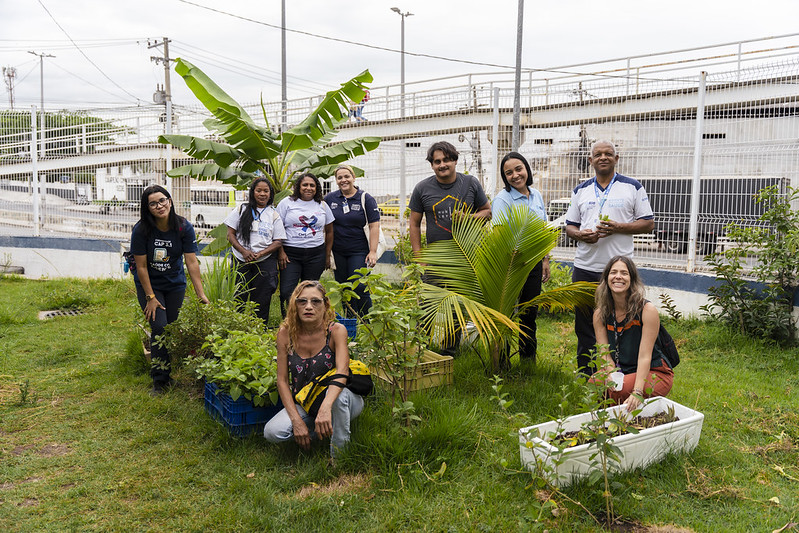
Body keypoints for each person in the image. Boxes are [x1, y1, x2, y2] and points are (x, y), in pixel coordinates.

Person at [564, 140, 654, 374]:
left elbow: (648, 224)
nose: (603, 157)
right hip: (585, 266)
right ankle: (587, 375)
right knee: (584, 325)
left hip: (619, 271)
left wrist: (618, 228)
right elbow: (569, 227)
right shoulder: (580, 190)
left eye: (608, 154)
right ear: (590, 160)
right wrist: (582, 236)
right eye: (598, 154)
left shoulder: (632, 187)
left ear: (616, 158)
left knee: (621, 324)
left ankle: (620, 374)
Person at [263, 281, 364, 457]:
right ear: (295, 305)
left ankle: (340, 456)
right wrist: (296, 421)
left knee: (339, 399)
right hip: (307, 402)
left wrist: (326, 408)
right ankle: (320, 431)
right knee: (272, 432)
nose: (308, 307)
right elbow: (282, 380)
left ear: (325, 305)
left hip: (341, 399)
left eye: (315, 301)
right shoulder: (286, 333)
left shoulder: (335, 331)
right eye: (302, 301)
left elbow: (342, 372)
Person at [409, 141, 492, 355]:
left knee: (455, 307)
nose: (442, 165)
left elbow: (486, 212)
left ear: (455, 160)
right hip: (435, 260)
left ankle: (449, 352)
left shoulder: (471, 183)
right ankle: (422, 351)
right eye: (437, 161)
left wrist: (468, 217)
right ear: (432, 165)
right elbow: (414, 223)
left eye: (446, 160)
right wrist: (420, 258)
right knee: (427, 306)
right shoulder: (422, 188)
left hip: (464, 259)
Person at [130, 185, 209, 396]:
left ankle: (168, 372)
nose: (159, 206)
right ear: (147, 208)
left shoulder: (183, 227)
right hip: (150, 284)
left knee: (171, 328)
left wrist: (200, 293)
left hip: (174, 284)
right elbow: (142, 267)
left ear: (170, 201)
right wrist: (150, 297)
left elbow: (191, 262)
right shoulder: (141, 230)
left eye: (163, 200)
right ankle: (160, 381)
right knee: (160, 327)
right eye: (153, 203)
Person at [591, 256, 674, 411]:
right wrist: (611, 376)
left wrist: (637, 391)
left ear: (632, 279)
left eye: (624, 273)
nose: (618, 277)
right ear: (606, 278)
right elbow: (604, 353)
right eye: (613, 272)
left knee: (619, 391)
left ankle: (622, 425)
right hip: (623, 370)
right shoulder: (600, 314)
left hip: (654, 371)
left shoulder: (646, 310)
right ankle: (612, 423)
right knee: (594, 385)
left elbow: (645, 356)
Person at [491, 152, 550, 362]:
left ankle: (527, 361)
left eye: (518, 169)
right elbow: (498, 234)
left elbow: (543, 229)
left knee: (529, 314)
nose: (515, 175)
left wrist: (545, 259)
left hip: (533, 264)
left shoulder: (536, 195)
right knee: (505, 316)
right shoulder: (502, 200)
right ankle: (502, 363)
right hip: (510, 266)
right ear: (504, 177)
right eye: (509, 173)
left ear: (527, 169)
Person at [225, 177, 286, 326]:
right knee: (238, 296)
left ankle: (259, 329)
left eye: (266, 191)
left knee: (262, 299)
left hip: (264, 262)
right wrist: (244, 251)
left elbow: (278, 241)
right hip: (241, 260)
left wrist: (261, 254)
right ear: (253, 192)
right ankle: (236, 329)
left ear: (270, 194)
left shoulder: (273, 214)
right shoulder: (241, 209)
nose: (262, 194)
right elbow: (230, 234)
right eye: (259, 190)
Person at [323, 164, 381, 317]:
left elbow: (374, 225)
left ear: (353, 178)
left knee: (360, 286)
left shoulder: (365, 198)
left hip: (359, 251)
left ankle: (366, 320)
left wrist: (373, 251)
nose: (344, 180)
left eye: (346, 176)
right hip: (338, 251)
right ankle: (350, 321)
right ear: (336, 181)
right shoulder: (330, 199)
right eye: (340, 177)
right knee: (344, 289)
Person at [276, 173, 335, 315]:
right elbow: (277, 229)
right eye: (305, 185)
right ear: (298, 187)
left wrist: (327, 256)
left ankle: (308, 320)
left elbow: (330, 231)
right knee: (286, 291)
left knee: (311, 291)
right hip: (290, 255)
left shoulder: (322, 205)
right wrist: (281, 252)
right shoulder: (286, 203)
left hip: (315, 255)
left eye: (312, 185)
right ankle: (288, 321)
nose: (308, 188)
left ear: (317, 188)